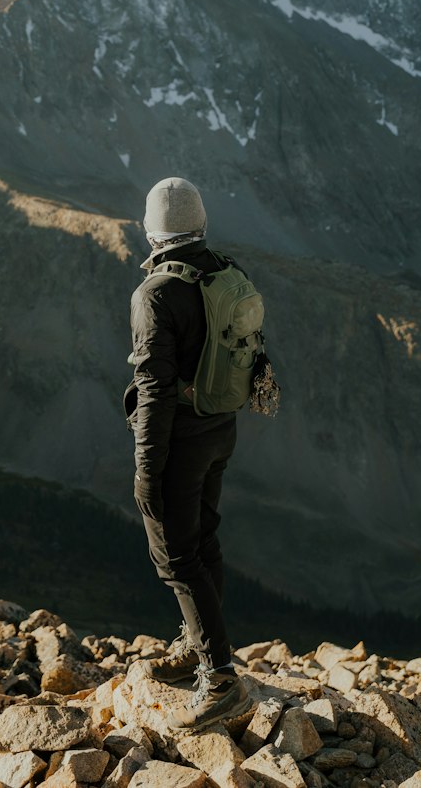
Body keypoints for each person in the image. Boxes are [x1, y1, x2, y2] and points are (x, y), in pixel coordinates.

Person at [125, 176, 251, 732]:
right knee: (204, 538)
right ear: (199, 224)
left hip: (179, 441)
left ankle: (220, 677)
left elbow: (153, 387)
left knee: (175, 556)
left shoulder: (156, 293)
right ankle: (198, 643)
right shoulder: (223, 271)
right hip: (221, 429)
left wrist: (146, 469)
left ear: (152, 230)